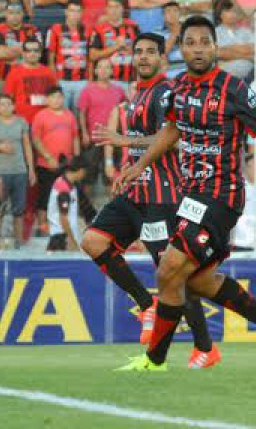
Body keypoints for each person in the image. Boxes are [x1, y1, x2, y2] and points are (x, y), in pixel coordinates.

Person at [114, 16, 256, 371]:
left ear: (216, 48)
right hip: (191, 195)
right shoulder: (178, 87)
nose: (198, 48)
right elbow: (171, 130)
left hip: (222, 195)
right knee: (194, 281)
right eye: (191, 42)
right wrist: (139, 165)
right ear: (182, 49)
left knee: (168, 267)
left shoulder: (234, 89)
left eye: (204, 42)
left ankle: (155, 359)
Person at [85, 33, 217, 367]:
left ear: (162, 57)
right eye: (138, 52)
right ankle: (147, 304)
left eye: (150, 52)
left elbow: (171, 140)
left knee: (173, 276)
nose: (143, 57)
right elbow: (146, 145)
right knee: (93, 241)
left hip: (164, 196)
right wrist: (128, 168)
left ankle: (204, 347)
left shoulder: (166, 93)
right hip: (136, 190)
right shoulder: (139, 94)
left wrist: (122, 139)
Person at [0, 94, 35, 245]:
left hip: (19, 171)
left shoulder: (21, 122)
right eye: (1, 104)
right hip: (0, 172)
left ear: (13, 106)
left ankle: (18, 243)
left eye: (8, 104)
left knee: (19, 209)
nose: (5, 107)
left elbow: (27, 146)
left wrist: (30, 169)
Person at [31, 86, 80, 231]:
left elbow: (75, 137)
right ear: (47, 99)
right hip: (46, 164)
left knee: (66, 194)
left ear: (63, 99)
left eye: (59, 97)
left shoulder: (69, 115)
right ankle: (42, 227)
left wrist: (76, 159)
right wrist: (47, 156)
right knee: (45, 196)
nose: (57, 100)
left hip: (67, 164)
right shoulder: (41, 115)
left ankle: (65, 227)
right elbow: (36, 139)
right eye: (53, 97)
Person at [45, 155, 87, 252]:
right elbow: (63, 218)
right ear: (80, 171)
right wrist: (72, 241)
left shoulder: (71, 186)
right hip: (61, 238)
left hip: (65, 237)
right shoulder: (63, 189)